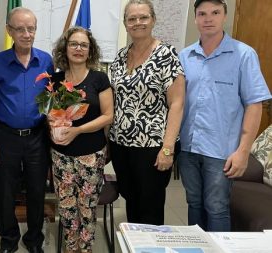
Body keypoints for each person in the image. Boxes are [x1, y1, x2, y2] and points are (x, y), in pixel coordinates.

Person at [178, 0, 272, 232]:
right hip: (189, 147)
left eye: (215, 13)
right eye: (202, 14)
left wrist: (243, 152)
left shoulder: (243, 55)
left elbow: (254, 105)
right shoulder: (185, 56)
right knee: (194, 202)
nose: (208, 18)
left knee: (217, 206)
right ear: (196, 18)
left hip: (221, 151)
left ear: (224, 16)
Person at [108, 0, 185, 225]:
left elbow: (177, 104)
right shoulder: (120, 57)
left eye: (143, 17)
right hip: (121, 145)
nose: (138, 22)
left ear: (153, 20)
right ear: (125, 24)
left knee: (150, 206)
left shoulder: (166, 55)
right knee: (131, 199)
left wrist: (168, 149)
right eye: (132, 19)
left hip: (153, 147)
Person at [0, 7, 53, 253]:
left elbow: (51, 98)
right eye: (20, 29)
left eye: (31, 28)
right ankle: (9, 239)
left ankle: (34, 239)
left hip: (37, 137)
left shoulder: (46, 60)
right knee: (4, 191)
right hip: (6, 137)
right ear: (9, 31)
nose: (27, 34)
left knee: (37, 190)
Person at [50, 26, 113, 253]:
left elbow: (108, 115)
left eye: (83, 45)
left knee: (86, 209)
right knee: (67, 210)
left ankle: (85, 249)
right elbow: (49, 113)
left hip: (90, 155)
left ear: (90, 50)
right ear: (65, 48)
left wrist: (78, 130)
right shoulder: (55, 80)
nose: (78, 49)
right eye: (74, 44)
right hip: (61, 156)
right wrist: (53, 125)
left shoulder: (99, 78)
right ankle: (70, 248)